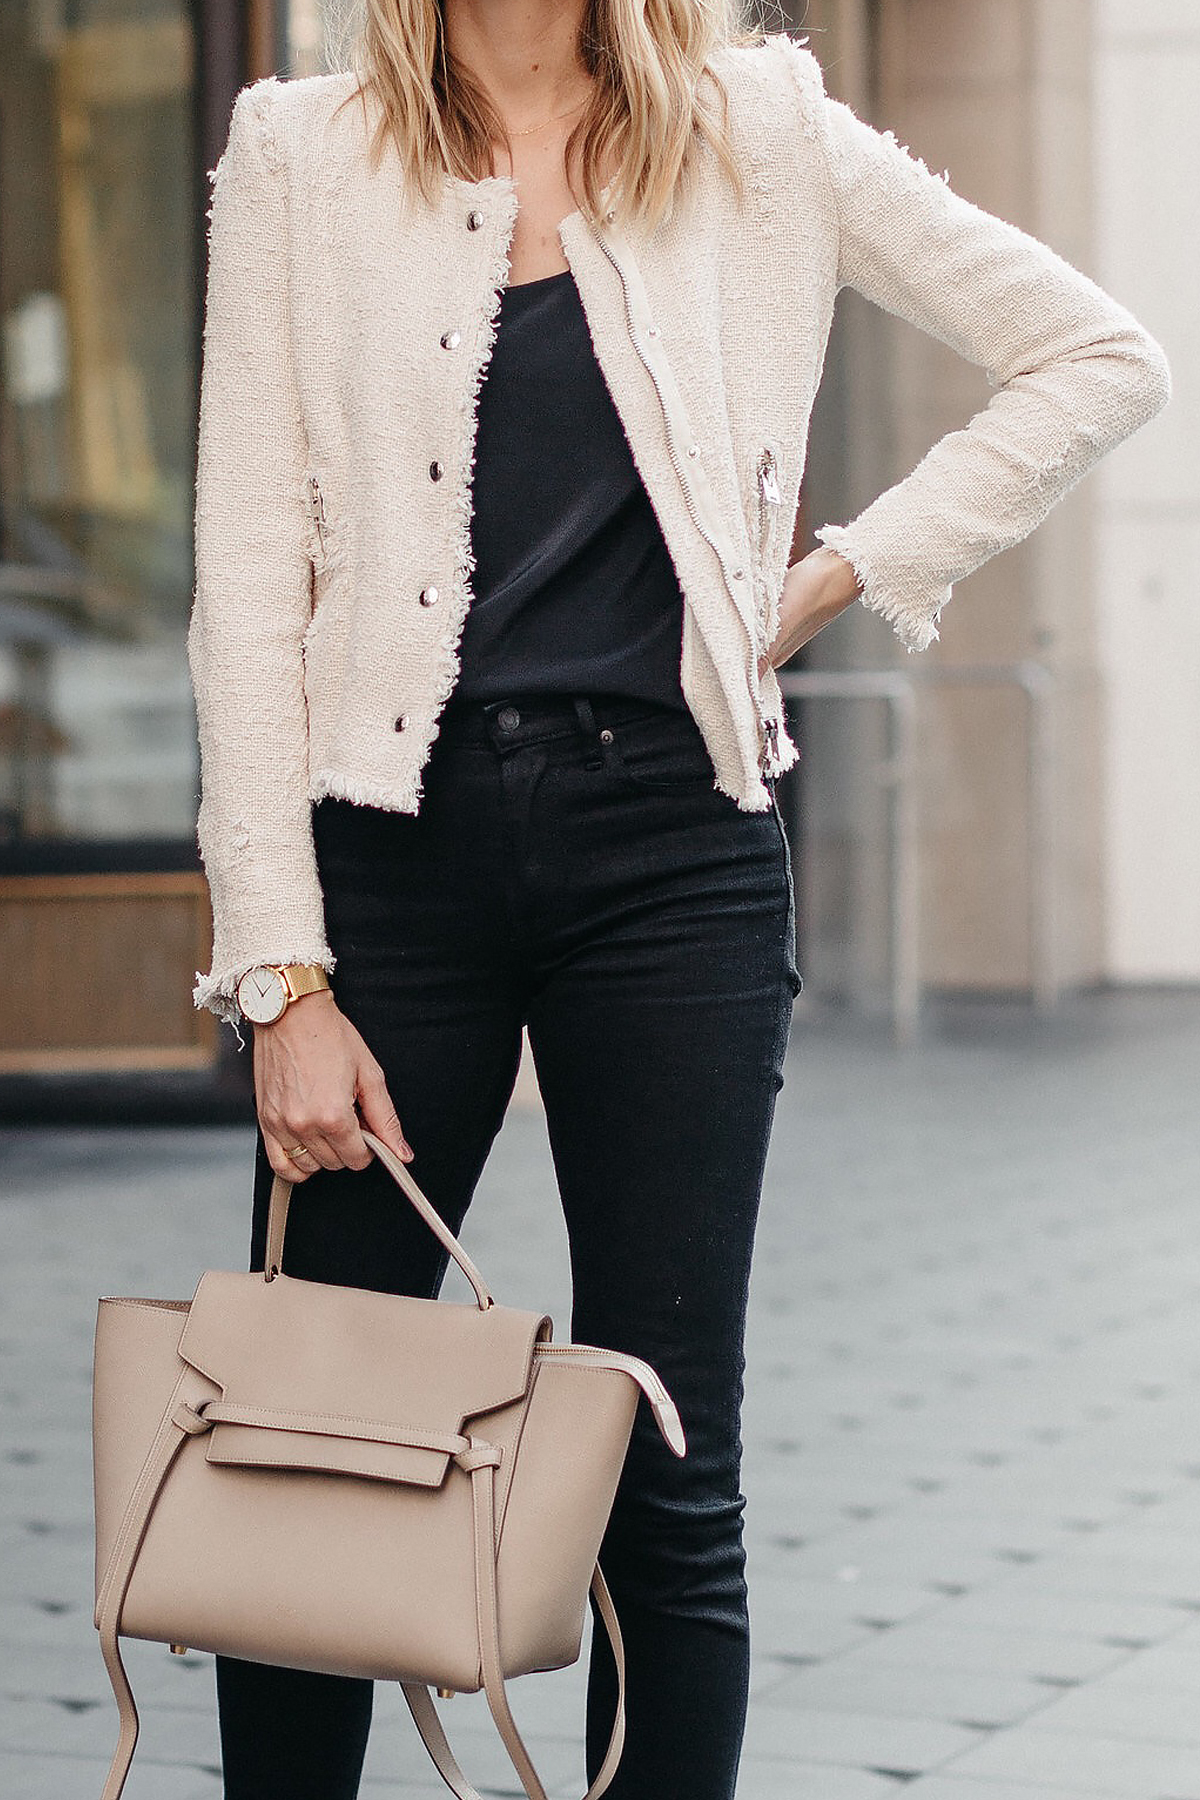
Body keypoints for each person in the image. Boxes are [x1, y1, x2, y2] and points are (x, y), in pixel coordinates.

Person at [186, 0, 1171, 1791]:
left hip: (676, 858)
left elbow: (1097, 356)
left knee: (668, 1449)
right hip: (387, 868)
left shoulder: (760, 128)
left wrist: (836, 578)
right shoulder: (299, 156)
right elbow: (248, 578)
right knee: (312, 1431)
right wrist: (281, 975)